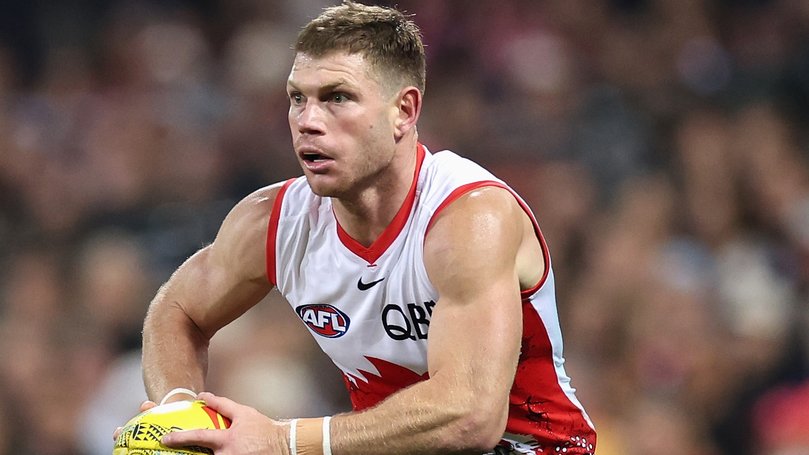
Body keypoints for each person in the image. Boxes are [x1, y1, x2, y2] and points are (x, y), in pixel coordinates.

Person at [127, 1, 597, 454]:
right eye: (297, 99)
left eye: (337, 98)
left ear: (404, 111)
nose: (307, 122)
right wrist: (180, 413)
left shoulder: (468, 217)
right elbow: (177, 311)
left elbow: (470, 416)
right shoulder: (274, 222)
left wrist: (281, 441)